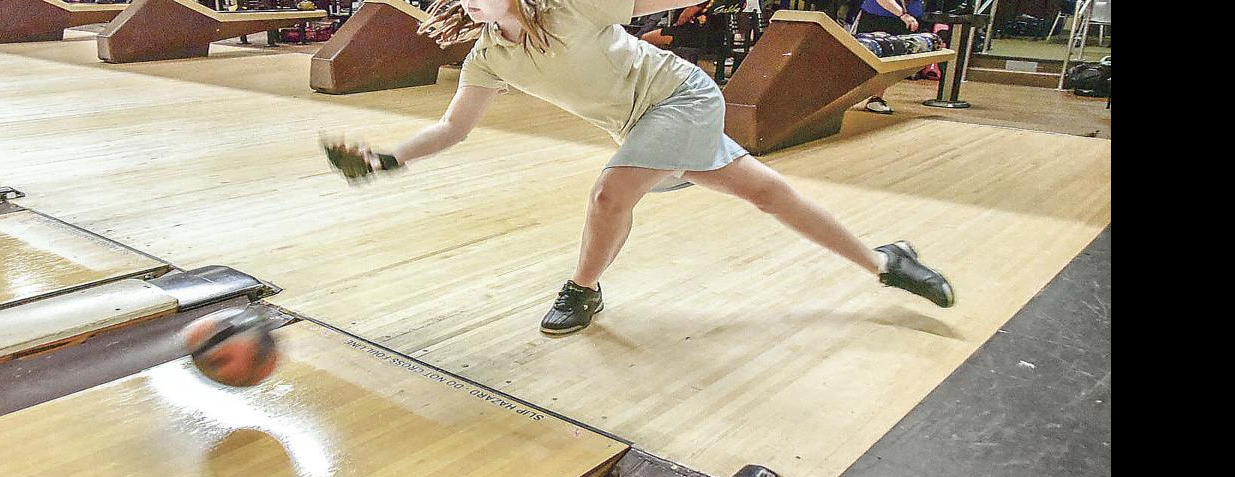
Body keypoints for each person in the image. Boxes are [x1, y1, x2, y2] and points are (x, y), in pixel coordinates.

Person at [324, 0, 953, 336]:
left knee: (610, 193)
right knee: (768, 195)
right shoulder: (488, 62)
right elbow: (450, 129)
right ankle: (885, 262)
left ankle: (581, 289)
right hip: (641, 122)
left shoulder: (570, 8)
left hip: (682, 96)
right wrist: (384, 159)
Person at [853, 0, 922, 114]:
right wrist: (903, 14)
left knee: (892, 63)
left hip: (910, 18)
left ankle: (876, 98)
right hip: (879, 17)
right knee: (865, 61)